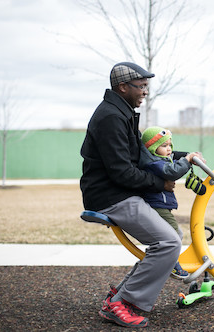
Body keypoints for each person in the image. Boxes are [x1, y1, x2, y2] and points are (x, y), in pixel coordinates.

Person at [80, 62, 187, 328]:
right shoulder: (111, 118)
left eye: (146, 87)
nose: (145, 92)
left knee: (169, 239)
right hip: (111, 195)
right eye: (141, 87)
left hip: (121, 192)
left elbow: (142, 156)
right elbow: (121, 172)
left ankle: (120, 297)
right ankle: (121, 304)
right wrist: (159, 184)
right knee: (168, 243)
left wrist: (184, 158)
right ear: (123, 87)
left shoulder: (122, 113)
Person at [139, 126, 206, 279]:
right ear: (152, 147)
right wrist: (187, 160)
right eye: (164, 146)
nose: (169, 149)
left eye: (170, 145)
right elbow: (172, 171)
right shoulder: (154, 163)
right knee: (174, 235)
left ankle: (165, 260)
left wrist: (190, 156)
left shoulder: (159, 159)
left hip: (160, 205)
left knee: (173, 235)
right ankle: (172, 264)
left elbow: (172, 159)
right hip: (157, 206)